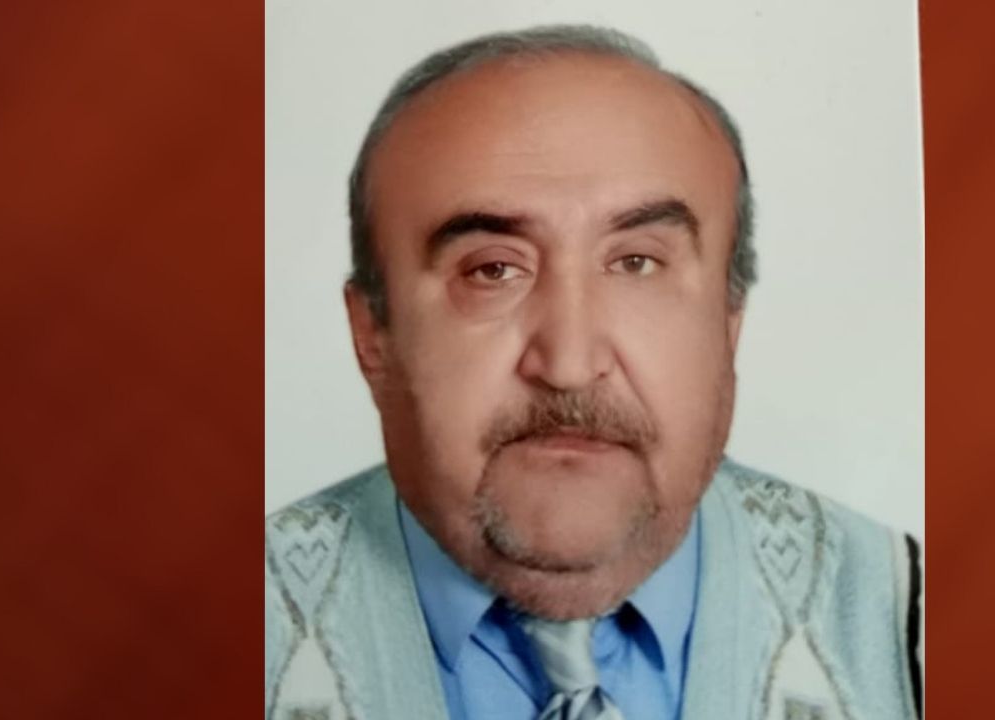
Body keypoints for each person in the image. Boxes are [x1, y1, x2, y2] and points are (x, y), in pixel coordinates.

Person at [265, 24, 923, 720]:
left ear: (729, 321)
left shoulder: (909, 625)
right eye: (493, 270)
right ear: (372, 334)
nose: (570, 367)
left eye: (637, 263)